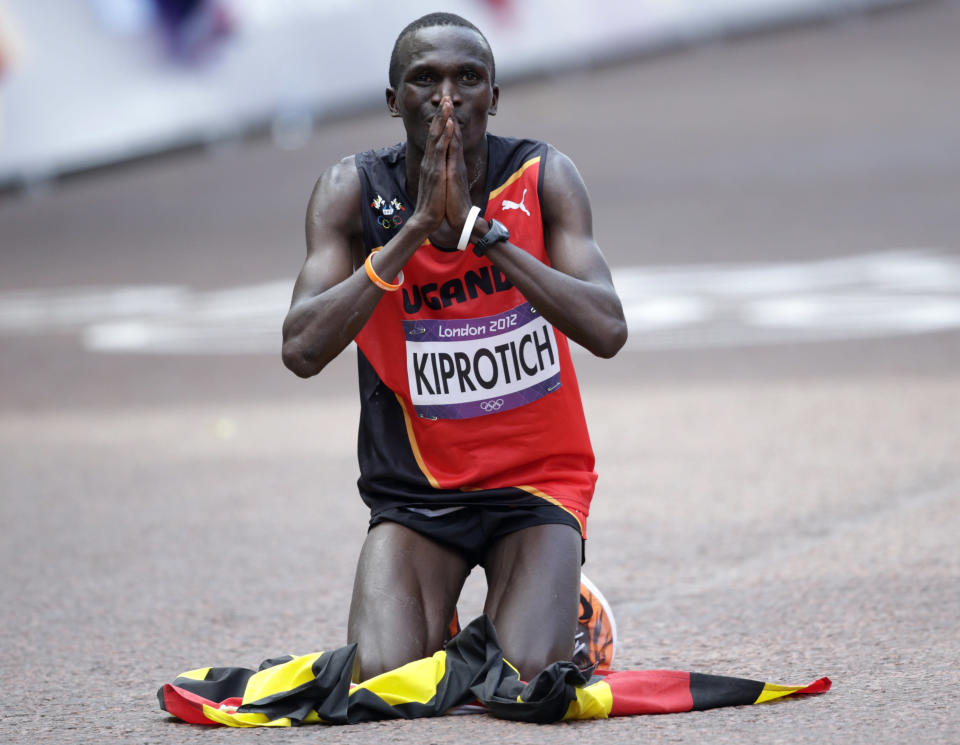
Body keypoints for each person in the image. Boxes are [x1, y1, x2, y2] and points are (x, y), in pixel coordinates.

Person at [281, 12, 626, 683]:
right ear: (391, 100)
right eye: (424, 80)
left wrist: (477, 231)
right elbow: (300, 347)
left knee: (524, 676)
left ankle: (568, 609)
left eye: (468, 78)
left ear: (494, 96)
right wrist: (413, 232)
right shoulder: (351, 193)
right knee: (381, 675)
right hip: (417, 493)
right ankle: (447, 613)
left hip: (535, 484)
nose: (447, 98)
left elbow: (608, 328)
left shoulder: (544, 176)